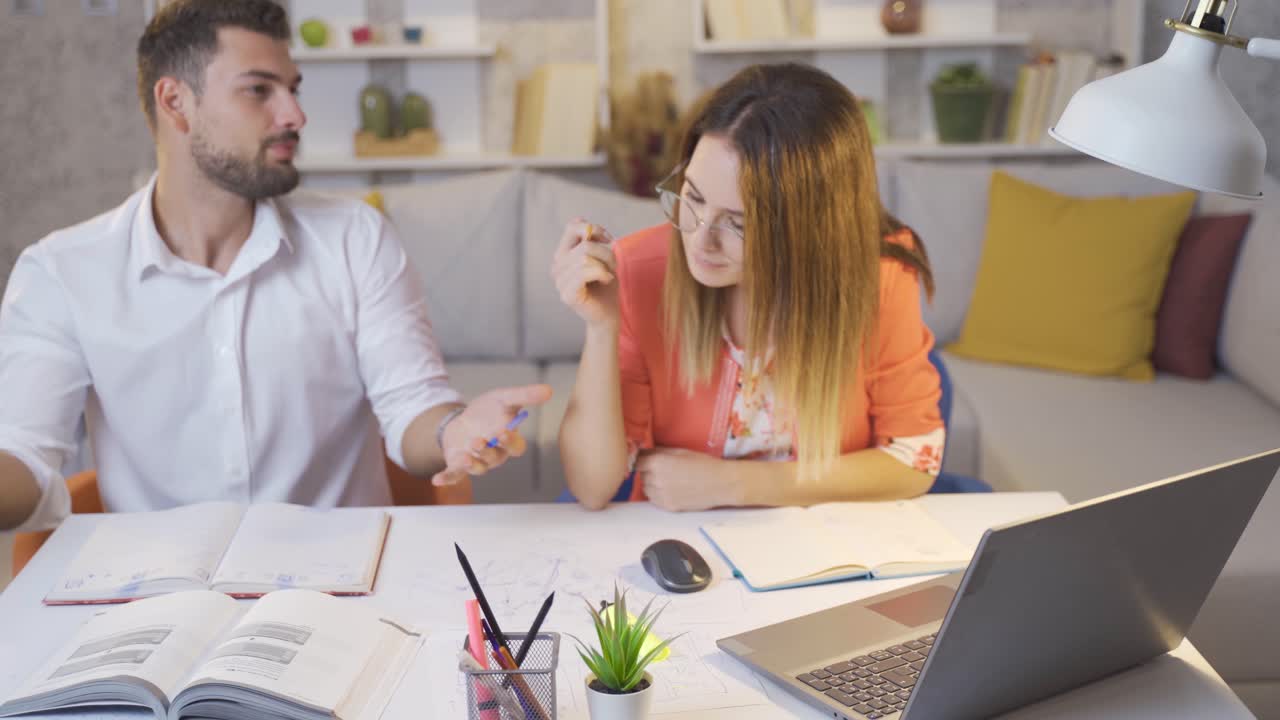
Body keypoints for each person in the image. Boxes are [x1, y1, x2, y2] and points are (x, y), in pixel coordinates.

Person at [0, 0, 548, 533]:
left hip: (336, 593)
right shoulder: (62, 273)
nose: (294, 115)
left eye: (293, 89)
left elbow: (413, 410)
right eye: (259, 90)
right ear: (175, 102)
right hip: (157, 604)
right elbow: (26, 457)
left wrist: (455, 429)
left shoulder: (356, 238)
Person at [553, 63, 944, 512]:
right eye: (693, 197)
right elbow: (591, 486)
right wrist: (601, 328)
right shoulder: (641, 271)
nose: (700, 241)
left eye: (739, 224)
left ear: (812, 228)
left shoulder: (880, 276)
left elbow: (914, 460)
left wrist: (737, 484)